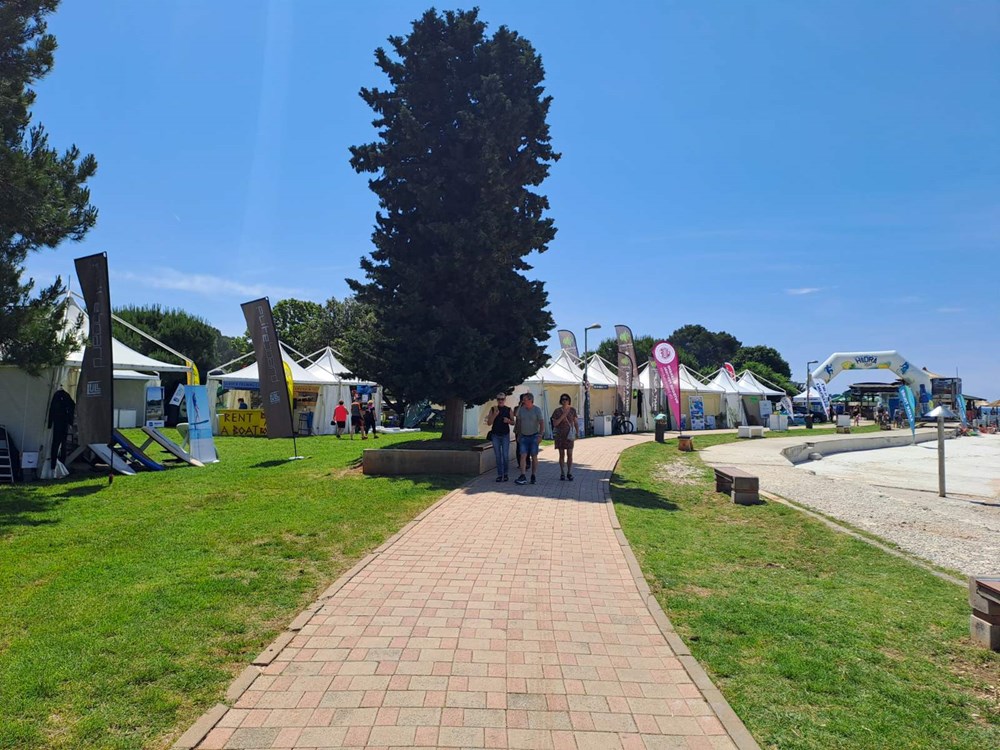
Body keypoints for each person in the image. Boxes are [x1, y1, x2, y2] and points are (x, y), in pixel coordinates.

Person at [514, 392, 543, 485]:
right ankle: (522, 475)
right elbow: (518, 421)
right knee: (523, 455)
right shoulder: (521, 409)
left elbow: (541, 423)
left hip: (534, 436)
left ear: (530, 400)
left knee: (534, 456)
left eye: (525, 399)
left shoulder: (537, 410)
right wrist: (518, 434)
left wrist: (540, 435)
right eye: (523, 399)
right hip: (523, 435)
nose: (523, 401)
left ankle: (533, 475)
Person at [485, 393, 514, 482]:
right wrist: (495, 415)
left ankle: (505, 474)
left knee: (505, 455)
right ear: (497, 400)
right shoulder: (493, 409)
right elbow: (489, 423)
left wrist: (508, 421)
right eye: (499, 399)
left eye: (502, 399)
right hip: (495, 435)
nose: (500, 401)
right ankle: (499, 474)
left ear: (505, 399)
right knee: (498, 456)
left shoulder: (508, 409)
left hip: (505, 435)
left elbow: (513, 422)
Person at [550, 393, 578, 481]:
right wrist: (563, 416)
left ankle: (569, 472)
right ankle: (562, 472)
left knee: (570, 454)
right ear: (561, 401)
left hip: (569, 435)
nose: (565, 401)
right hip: (560, 435)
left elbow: (575, 422)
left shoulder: (572, 410)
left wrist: (577, 432)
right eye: (563, 399)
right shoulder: (557, 411)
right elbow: (555, 423)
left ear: (569, 400)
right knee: (561, 454)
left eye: (566, 399)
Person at [513, 393, 532, 474]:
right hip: (519, 430)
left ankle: (527, 462)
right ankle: (520, 463)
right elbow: (516, 414)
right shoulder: (517, 408)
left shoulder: (529, 407)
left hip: (528, 430)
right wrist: (520, 405)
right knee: (519, 447)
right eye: (523, 399)